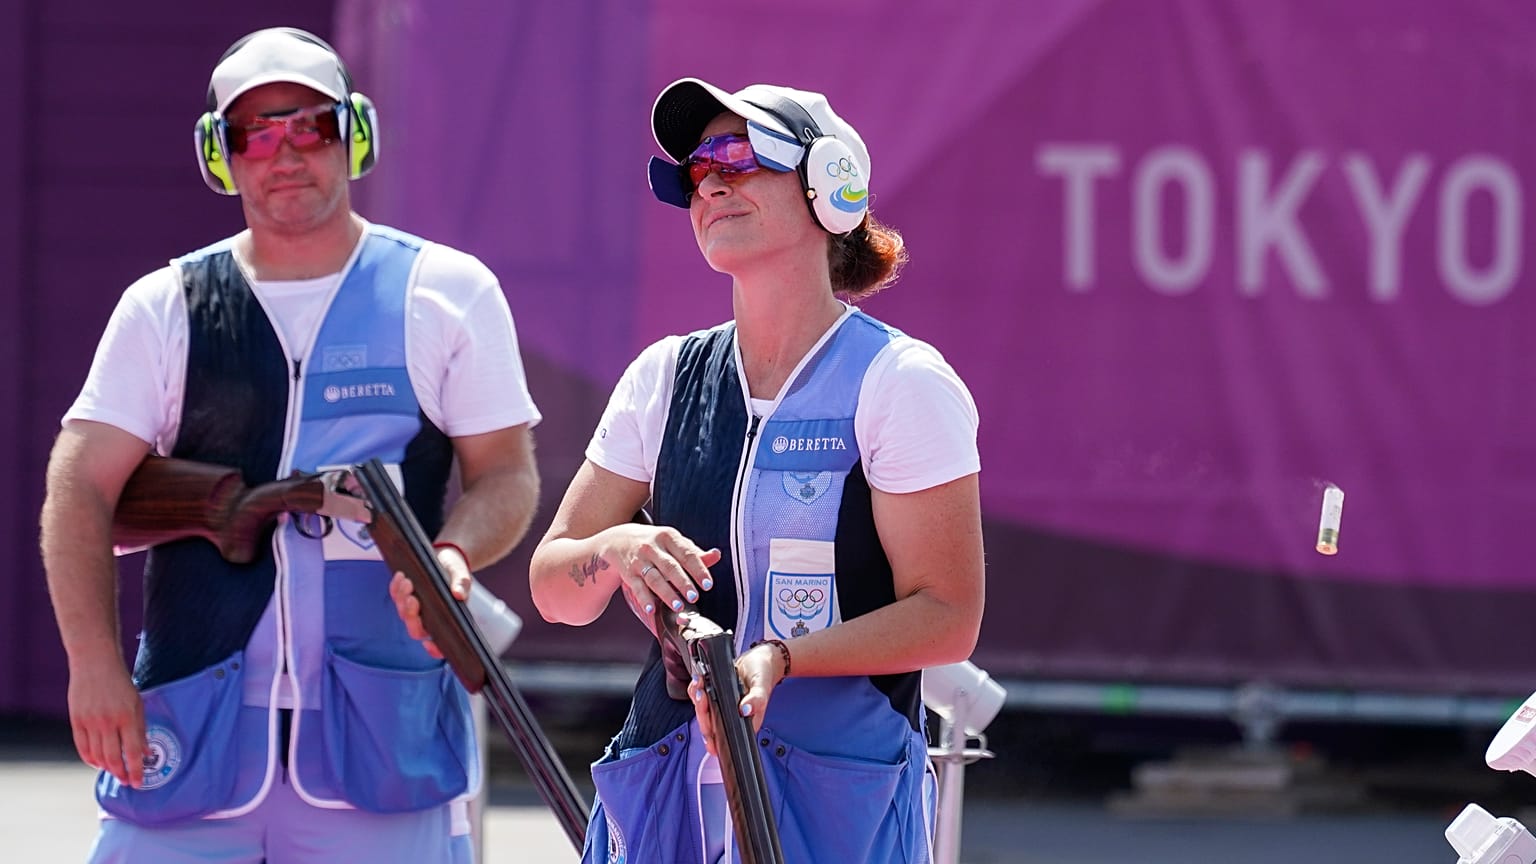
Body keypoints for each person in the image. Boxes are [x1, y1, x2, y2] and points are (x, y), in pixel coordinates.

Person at [38, 27, 541, 864]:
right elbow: (79, 486)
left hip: (384, 746)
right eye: (254, 132)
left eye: (310, 124)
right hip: (188, 736)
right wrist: (93, 664)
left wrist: (453, 553)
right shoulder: (165, 305)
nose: (284, 151)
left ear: (356, 134)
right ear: (219, 155)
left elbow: (507, 475)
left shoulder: (448, 292)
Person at [528, 77, 986, 863]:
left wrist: (783, 657)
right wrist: (618, 552)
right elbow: (551, 587)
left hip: (834, 802)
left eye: (739, 157)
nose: (712, 182)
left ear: (830, 183)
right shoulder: (664, 375)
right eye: (698, 170)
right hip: (666, 794)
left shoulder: (901, 381)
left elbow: (948, 616)